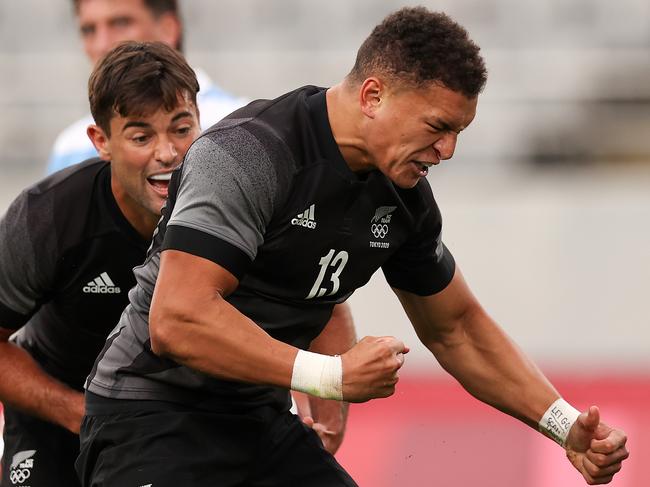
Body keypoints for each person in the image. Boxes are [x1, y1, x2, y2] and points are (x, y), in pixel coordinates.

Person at [78, 7, 629, 487]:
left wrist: (562, 425)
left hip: (255, 415)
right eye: (438, 126)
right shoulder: (250, 153)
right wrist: (331, 376)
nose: (449, 149)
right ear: (373, 95)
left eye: (460, 131)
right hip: (147, 412)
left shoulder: (405, 197)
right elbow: (178, 319)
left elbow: (456, 328)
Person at [0, 42, 353, 487]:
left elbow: (322, 298)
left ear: (203, 124)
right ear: (101, 142)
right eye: (141, 136)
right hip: (60, 415)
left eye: (181, 129)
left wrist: (328, 404)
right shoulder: (46, 218)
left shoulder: (246, 194)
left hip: (203, 414)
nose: (167, 153)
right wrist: (73, 408)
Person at [46, 0, 247, 174]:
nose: (102, 44)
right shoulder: (71, 147)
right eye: (89, 30)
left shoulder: (240, 125)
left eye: (120, 23)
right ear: (99, 141)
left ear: (168, 28)